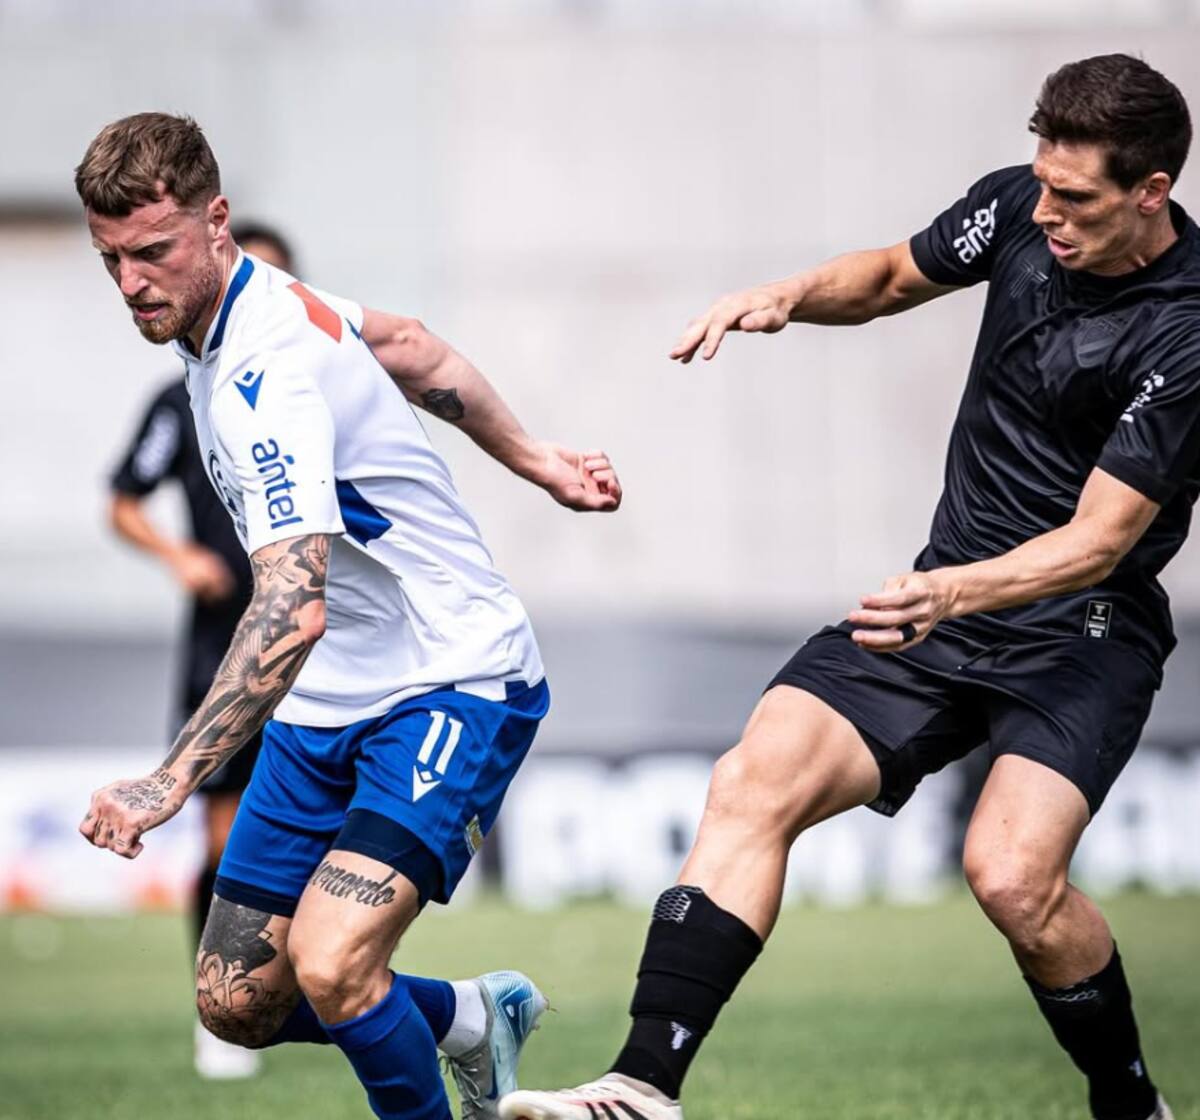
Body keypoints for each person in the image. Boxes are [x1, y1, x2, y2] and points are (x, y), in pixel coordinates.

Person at [501, 53, 1195, 1120]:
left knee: (1012, 878)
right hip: (938, 604)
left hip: (1081, 630)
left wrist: (953, 593)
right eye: (1042, 182)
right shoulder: (1021, 206)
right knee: (752, 780)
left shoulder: (1188, 330)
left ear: (1151, 191)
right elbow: (885, 277)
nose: (1046, 210)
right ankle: (643, 1086)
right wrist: (785, 294)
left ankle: (1129, 1102)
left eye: (1077, 196)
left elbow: (1100, 541)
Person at [75, 111, 621, 1120]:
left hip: (452, 674)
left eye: (153, 252)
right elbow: (411, 346)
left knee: (332, 959)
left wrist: (169, 780)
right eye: (112, 258)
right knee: (235, 997)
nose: (132, 282)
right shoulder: (250, 307)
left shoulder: (258, 373)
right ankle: (466, 1016)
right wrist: (538, 458)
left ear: (218, 222)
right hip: (331, 701)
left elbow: (292, 605)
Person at [108, 223, 301, 1080]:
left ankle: (307, 996)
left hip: (313, 632)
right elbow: (122, 498)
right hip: (223, 642)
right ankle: (217, 1007)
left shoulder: (307, 380)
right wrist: (180, 557)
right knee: (226, 840)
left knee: (323, 836)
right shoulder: (182, 396)